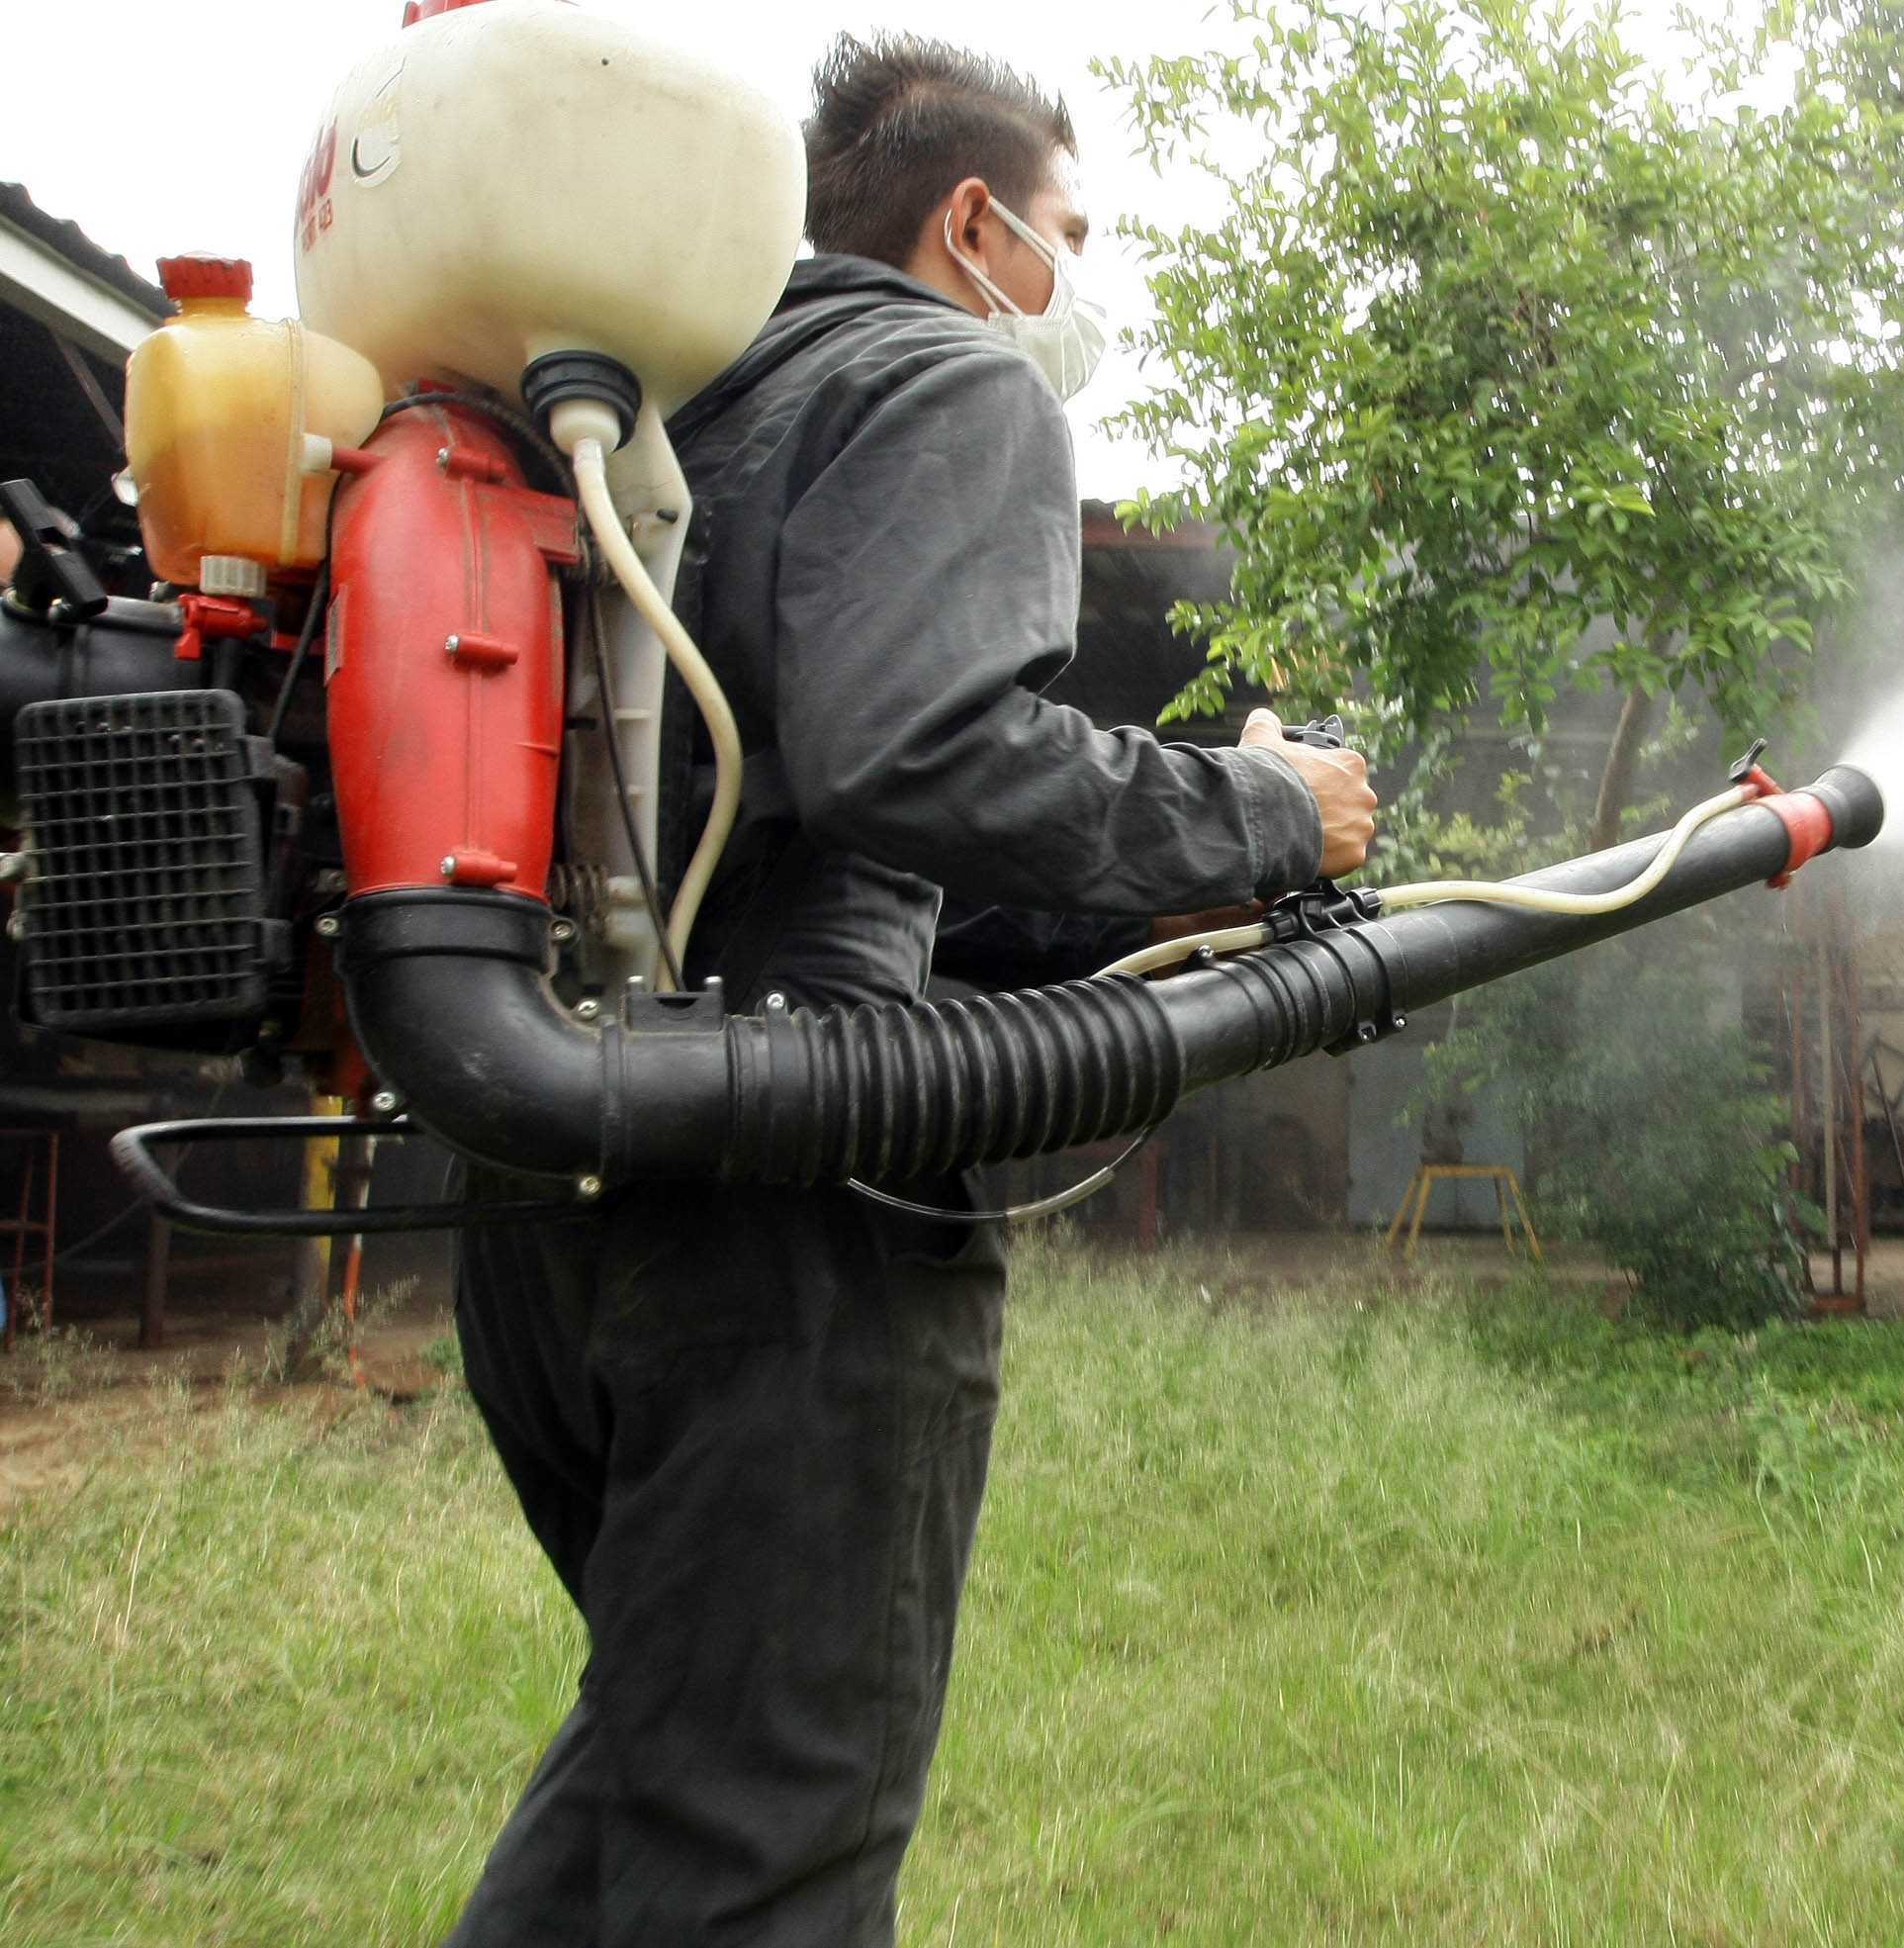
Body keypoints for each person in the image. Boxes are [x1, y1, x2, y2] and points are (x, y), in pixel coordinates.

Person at [444, 34, 1376, 1945]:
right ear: (970, 225)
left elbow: (830, 841)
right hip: (784, 1223)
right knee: (760, 1859)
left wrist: (1177, 893)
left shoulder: (674, 418)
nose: (1075, 284)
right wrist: (1268, 807)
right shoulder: (946, 375)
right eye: (1067, 235)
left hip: (547, 1207)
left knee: (663, 1764)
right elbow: (921, 755)